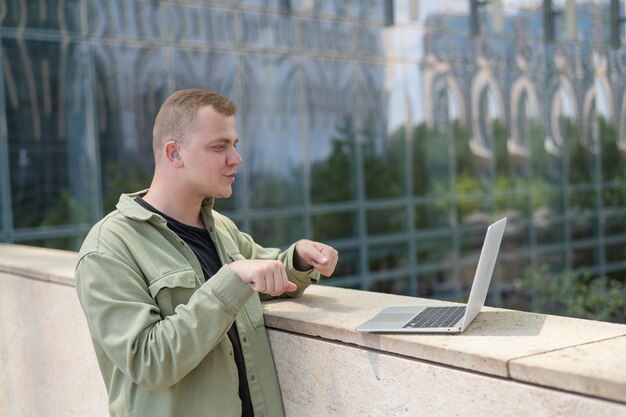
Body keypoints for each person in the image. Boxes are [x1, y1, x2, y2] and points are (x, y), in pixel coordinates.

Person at [75, 88, 339, 417]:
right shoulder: (108, 248)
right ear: (174, 154)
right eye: (219, 147)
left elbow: (265, 272)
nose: (236, 159)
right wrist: (231, 280)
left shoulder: (221, 229)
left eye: (235, 145)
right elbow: (149, 361)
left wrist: (299, 258)